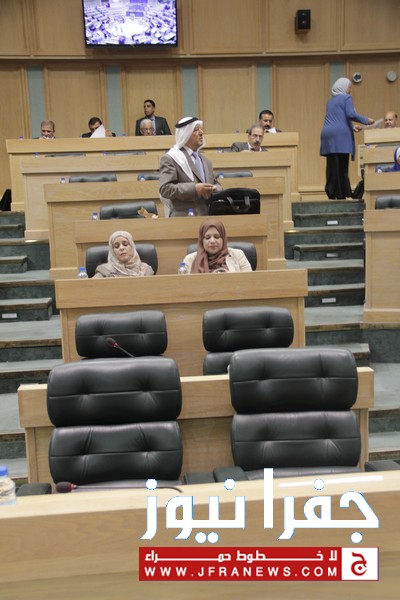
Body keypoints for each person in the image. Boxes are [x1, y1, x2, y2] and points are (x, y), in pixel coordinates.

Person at [320, 77, 374, 200]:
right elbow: (350, 114)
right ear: (344, 88)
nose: (350, 90)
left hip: (327, 134)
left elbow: (337, 118)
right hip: (340, 136)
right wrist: (366, 120)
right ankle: (342, 193)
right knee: (342, 165)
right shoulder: (346, 98)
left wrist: (352, 127)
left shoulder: (331, 101)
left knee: (332, 165)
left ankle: (332, 191)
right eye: (349, 87)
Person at [159, 116, 221, 217]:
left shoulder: (206, 161)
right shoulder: (172, 158)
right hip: (183, 218)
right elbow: (165, 189)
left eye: (201, 129)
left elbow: (216, 183)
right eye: (196, 129)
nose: (201, 132)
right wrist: (194, 189)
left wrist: (215, 188)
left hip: (207, 216)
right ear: (185, 133)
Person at [182, 218, 252, 273]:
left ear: (223, 238)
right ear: (202, 240)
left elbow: (249, 281)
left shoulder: (238, 255)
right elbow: (182, 285)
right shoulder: (189, 260)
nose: (212, 241)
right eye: (207, 237)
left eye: (217, 237)